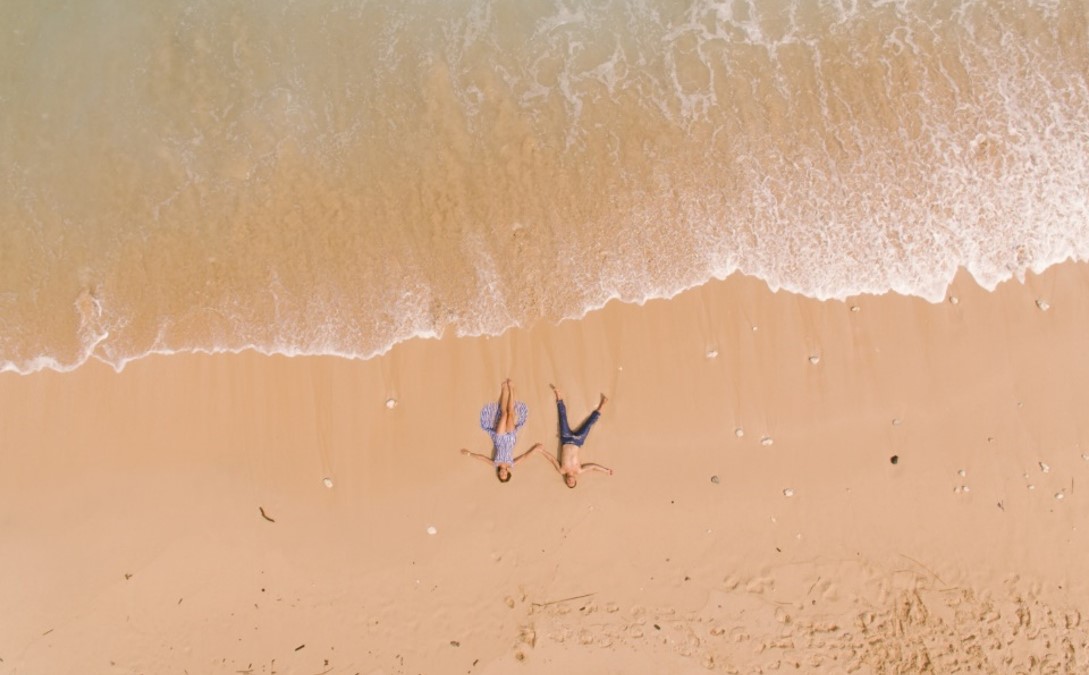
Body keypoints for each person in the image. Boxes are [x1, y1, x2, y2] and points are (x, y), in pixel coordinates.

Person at [460, 379, 539, 482]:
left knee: (504, 414)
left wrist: (469, 454)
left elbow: (482, 458)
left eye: (501, 475)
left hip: (500, 438)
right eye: (505, 475)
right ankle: (511, 389)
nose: (503, 473)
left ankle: (503, 390)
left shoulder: (495, 464)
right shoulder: (512, 464)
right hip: (511, 437)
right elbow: (524, 457)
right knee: (510, 413)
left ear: (499, 473)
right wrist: (536, 449)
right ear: (508, 473)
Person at [538, 384, 611, 488]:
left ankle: (558, 395)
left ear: (566, 481)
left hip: (566, 439)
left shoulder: (561, 470)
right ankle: (602, 404)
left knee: (562, 417)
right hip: (578, 441)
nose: (570, 482)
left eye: (568, 483)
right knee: (590, 423)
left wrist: (542, 451)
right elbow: (593, 467)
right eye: (572, 483)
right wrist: (606, 470)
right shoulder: (579, 470)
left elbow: (552, 460)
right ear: (575, 480)